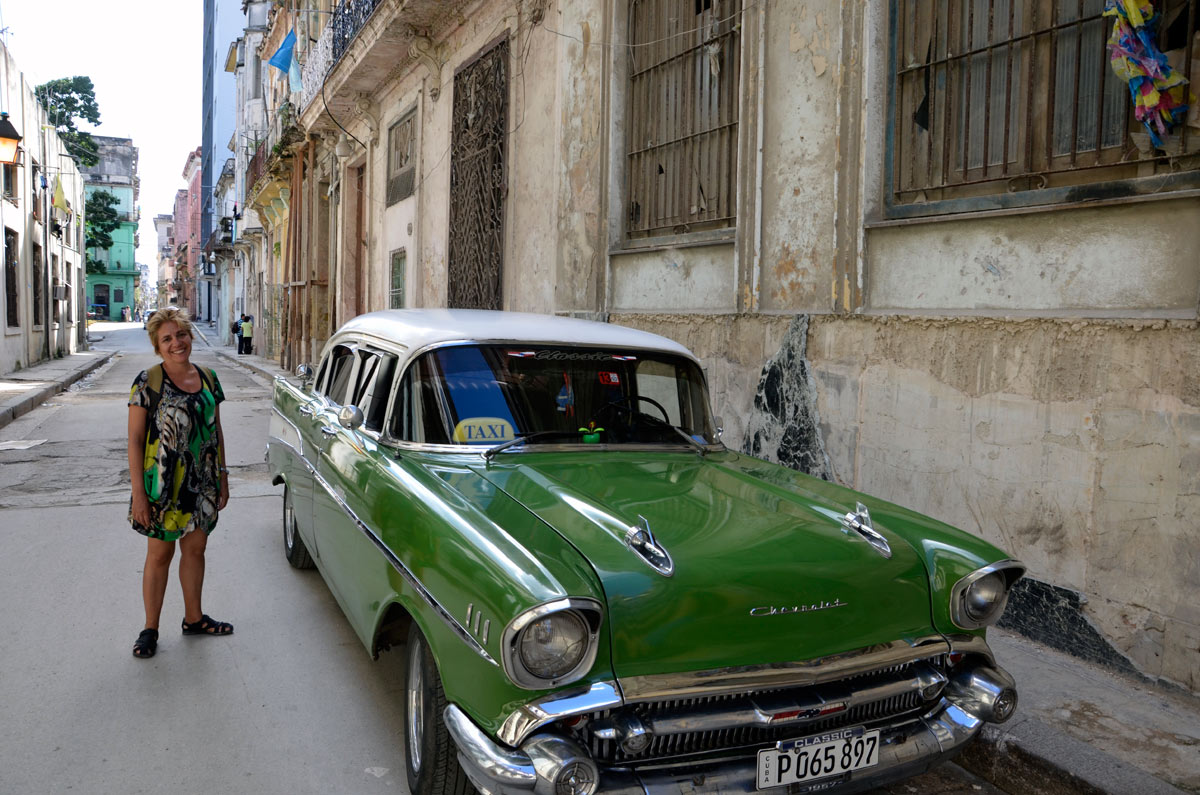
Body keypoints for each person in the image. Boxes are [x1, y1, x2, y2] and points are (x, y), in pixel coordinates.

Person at [128, 307, 233, 659]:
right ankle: (150, 629)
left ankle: (194, 618)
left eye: (181, 335)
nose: (177, 343)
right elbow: (135, 440)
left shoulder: (208, 377)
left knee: (196, 550)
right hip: (162, 487)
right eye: (167, 339)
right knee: (160, 555)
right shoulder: (148, 381)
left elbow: (215, 429)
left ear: (190, 336)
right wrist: (139, 496)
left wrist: (222, 475)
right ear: (158, 347)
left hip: (202, 481)